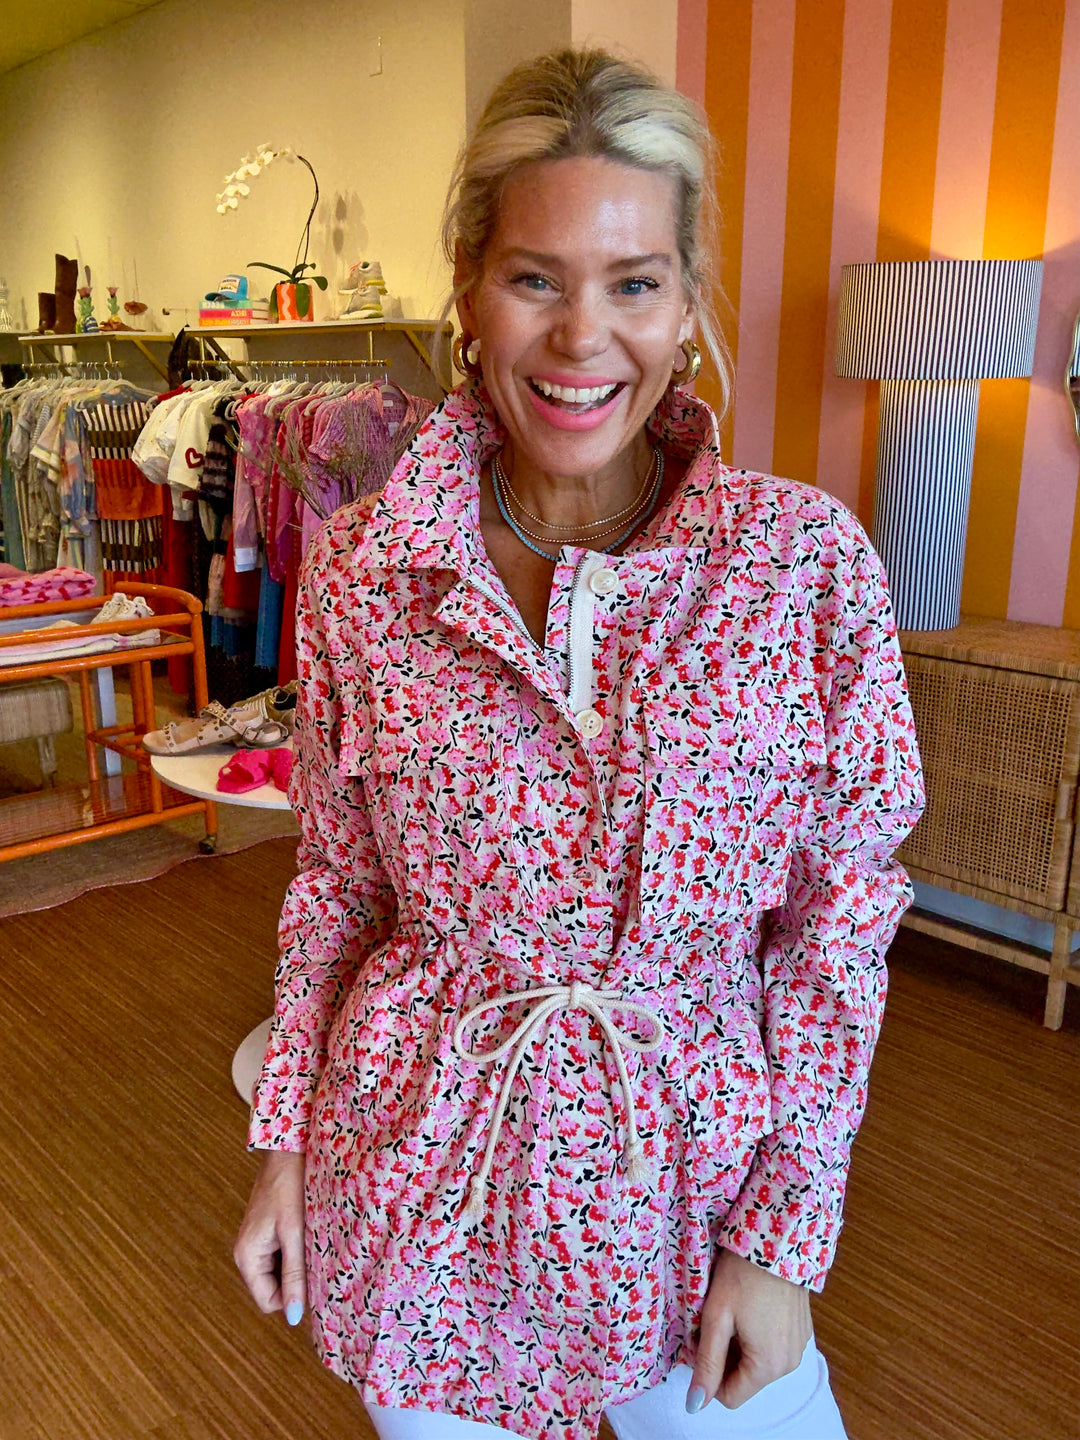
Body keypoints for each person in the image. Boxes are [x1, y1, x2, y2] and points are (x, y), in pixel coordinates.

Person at [234, 47, 924, 1440]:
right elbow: (339, 887)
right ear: (469, 287)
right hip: (423, 1177)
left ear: (687, 300)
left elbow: (840, 924)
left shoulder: (800, 567)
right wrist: (286, 1147)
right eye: (536, 278)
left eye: (635, 283)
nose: (581, 337)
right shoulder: (367, 572)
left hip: (693, 1195)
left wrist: (785, 1241)